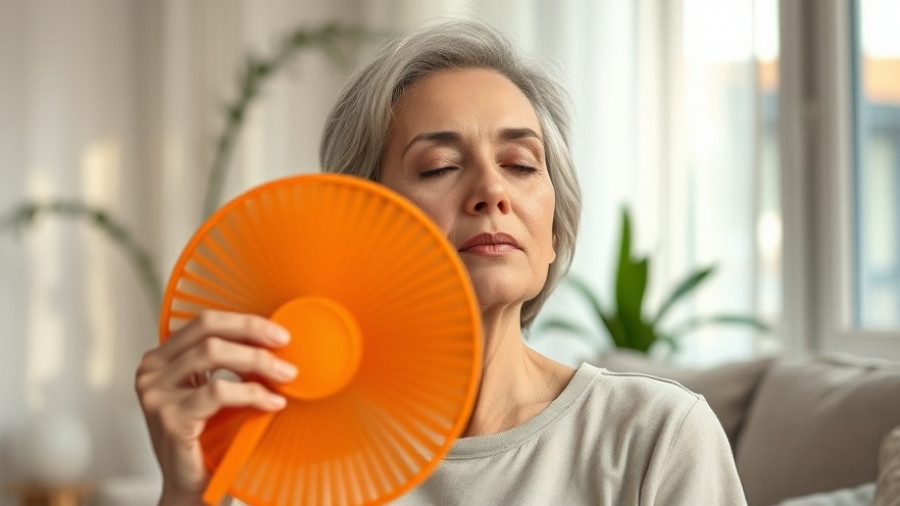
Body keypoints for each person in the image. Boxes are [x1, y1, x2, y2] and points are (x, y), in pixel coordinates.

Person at [135, 20, 747, 505]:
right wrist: (188, 498)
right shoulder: (298, 458)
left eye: (521, 164)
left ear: (555, 230)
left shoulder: (655, 436)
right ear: (356, 225)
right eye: (439, 167)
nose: (492, 191)